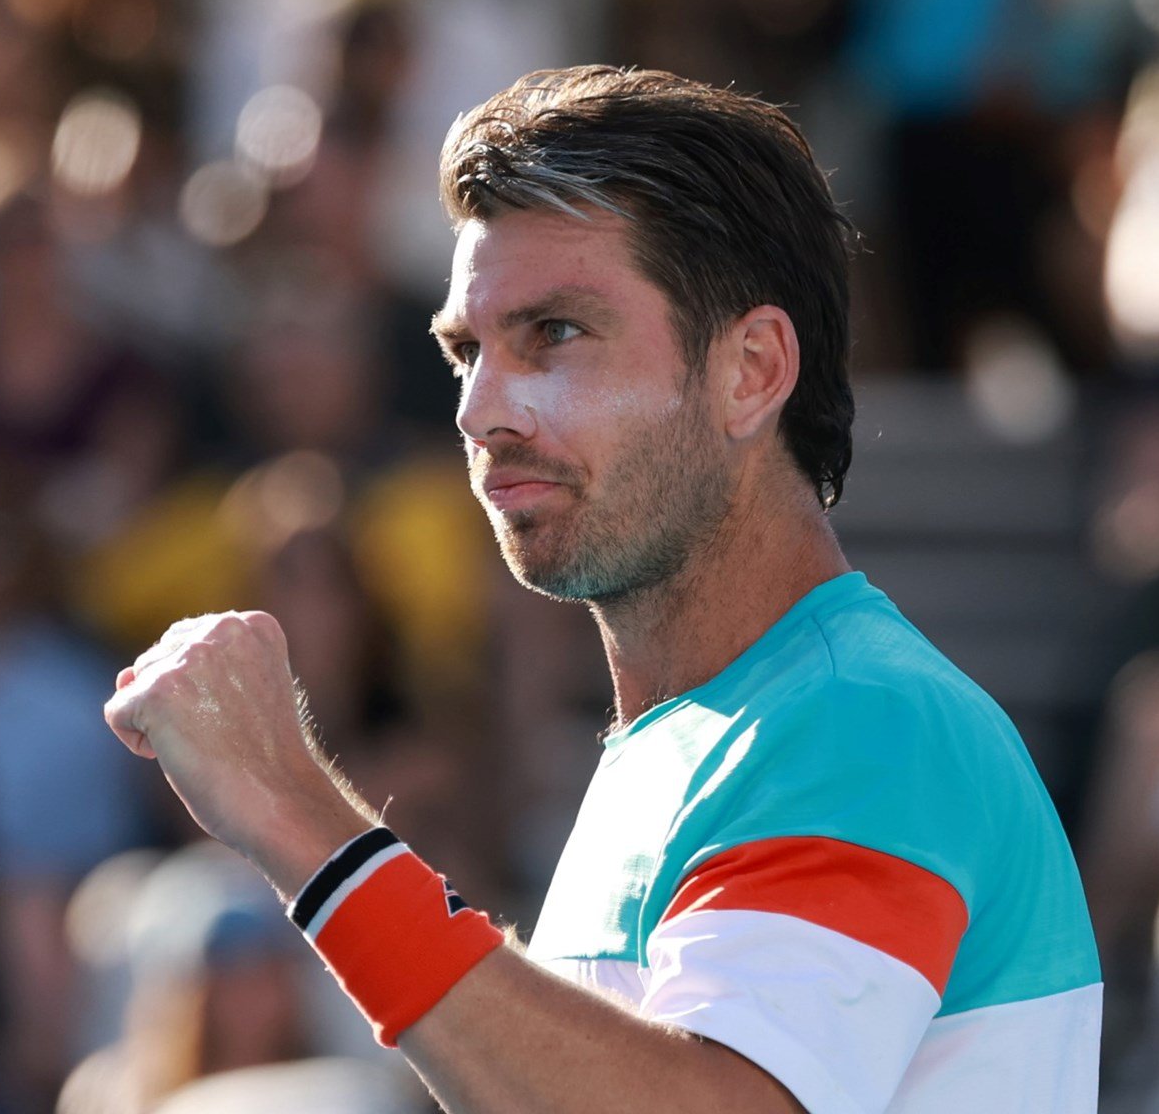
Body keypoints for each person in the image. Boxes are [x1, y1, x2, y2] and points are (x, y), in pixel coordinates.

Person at [103, 66, 1100, 1113]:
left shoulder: (860, 720)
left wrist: (295, 812)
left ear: (751, 369)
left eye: (554, 334)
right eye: (465, 352)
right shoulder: (693, 745)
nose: (480, 410)